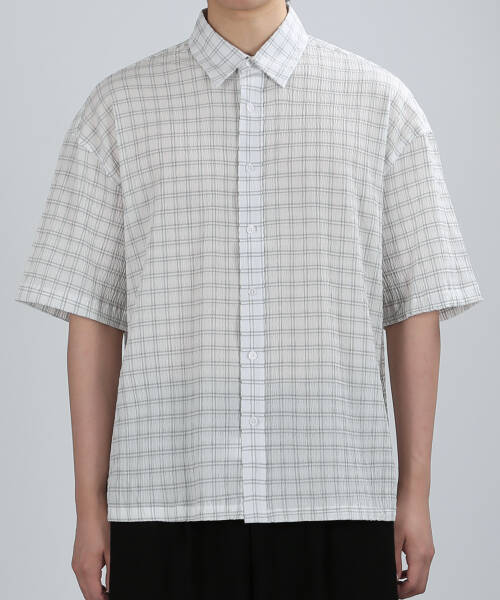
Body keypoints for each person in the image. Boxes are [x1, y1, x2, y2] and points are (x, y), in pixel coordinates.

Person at [15, 1, 483, 598]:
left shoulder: (383, 107)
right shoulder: (117, 111)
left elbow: (416, 309)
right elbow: (93, 318)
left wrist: (414, 494)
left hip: (339, 493)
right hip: (167, 498)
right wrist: (90, 505)